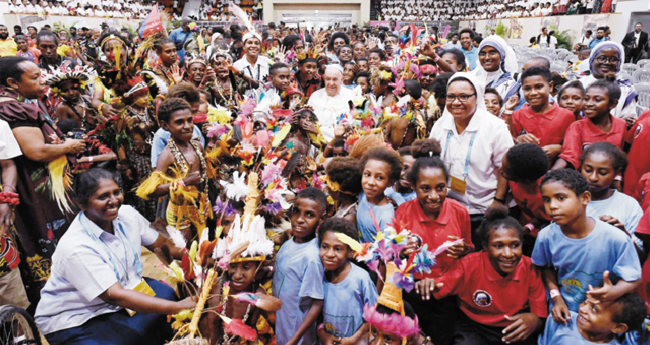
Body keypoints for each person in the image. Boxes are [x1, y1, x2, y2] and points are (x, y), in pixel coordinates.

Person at [34, 168, 194, 345]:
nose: (114, 201)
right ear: (82, 204)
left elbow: (163, 246)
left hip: (121, 294)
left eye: (116, 192)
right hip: (77, 318)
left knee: (166, 294)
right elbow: (115, 295)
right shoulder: (76, 246)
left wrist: (202, 256)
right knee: (128, 336)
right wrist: (179, 307)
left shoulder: (127, 214)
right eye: (103, 197)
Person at [0, 57, 86, 305]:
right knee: (50, 235)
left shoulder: (18, 105)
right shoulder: (15, 108)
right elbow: (36, 151)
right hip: (37, 191)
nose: (43, 81)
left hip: (28, 189)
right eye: (35, 77)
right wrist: (68, 145)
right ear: (12, 83)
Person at [415, 204, 548, 345]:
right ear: (485, 245)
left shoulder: (530, 268)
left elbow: (539, 313)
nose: (508, 254)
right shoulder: (468, 265)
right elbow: (438, 286)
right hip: (474, 328)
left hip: (513, 328)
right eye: (498, 246)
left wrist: (535, 320)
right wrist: (427, 284)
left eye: (515, 245)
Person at [532, 169, 641, 318]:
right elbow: (545, 268)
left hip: (601, 315)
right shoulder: (546, 236)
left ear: (585, 198)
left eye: (561, 198)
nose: (552, 206)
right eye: (547, 199)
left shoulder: (615, 238)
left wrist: (614, 291)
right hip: (565, 312)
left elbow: (633, 278)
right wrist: (556, 298)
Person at [394, 139, 472, 345]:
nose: (434, 196)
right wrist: (401, 251)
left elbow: (469, 252)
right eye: (425, 189)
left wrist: (463, 249)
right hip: (412, 293)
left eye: (440, 188)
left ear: (447, 184)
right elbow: (394, 256)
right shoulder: (403, 212)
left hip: (446, 295)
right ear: (414, 186)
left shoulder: (460, 212)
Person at [429, 72, 514, 242]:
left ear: (477, 97)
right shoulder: (441, 125)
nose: (456, 102)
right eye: (451, 97)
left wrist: (497, 201)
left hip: (483, 210)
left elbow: (505, 169)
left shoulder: (495, 127)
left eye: (464, 97)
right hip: (448, 207)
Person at [139, 97, 212, 245]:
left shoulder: (197, 146)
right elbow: (151, 191)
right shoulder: (167, 155)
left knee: (205, 250)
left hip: (201, 207)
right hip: (180, 214)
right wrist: (184, 182)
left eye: (190, 120)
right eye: (179, 122)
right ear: (165, 126)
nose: (187, 126)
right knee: (188, 254)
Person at [273, 187, 326, 345]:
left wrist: (295, 339)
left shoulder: (312, 257)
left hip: (297, 334)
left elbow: (317, 303)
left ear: (321, 219)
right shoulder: (289, 243)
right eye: (296, 212)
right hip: (283, 323)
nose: (300, 219)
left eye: (309, 215)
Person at [317, 217, 377, 342]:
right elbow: (316, 313)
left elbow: (373, 316)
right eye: (324, 247)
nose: (329, 254)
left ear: (349, 251)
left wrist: (353, 338)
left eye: (337, 249)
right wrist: (323, 333)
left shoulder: (360, 278)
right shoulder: (319, 275)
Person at [554, 74, 630, 170]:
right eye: (586, 99)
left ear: (613, 104)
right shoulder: (577, 127)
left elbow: (622, 155)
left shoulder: (621, 125)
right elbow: (569, 156)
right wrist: (552, 173)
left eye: (597, 100)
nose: (589, 104)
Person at [580, 142, 643, 249]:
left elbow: (640, 256)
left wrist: (623, 236)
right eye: (588, 170)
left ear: (616, 173)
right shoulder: (570, 200)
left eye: (603, 172)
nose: (593, 177)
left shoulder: (628, 205)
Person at [509, 66, 575, 163]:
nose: (533, 93)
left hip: (554, 173)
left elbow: (572, 147)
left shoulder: (566, 116)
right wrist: (518, 140)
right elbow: (509, 144)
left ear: (551, 86)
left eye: (539, 87)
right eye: (527, 89)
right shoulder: (516, 115)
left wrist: (559, 148)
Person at [538, 292, 646, 344]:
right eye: (585, 301)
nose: (582, 309)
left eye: (594, 309)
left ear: (618, 327)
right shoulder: (561, 319)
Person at [357, 146, 404, 243]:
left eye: (379, 178)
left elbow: (386, 251)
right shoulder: (362, 195)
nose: (370, 182)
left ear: (390, 182)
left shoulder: (386, 216)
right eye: (367, 174)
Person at [307, 64, 355, 141]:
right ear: (324, 79)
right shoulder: (315, 96)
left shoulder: (352, 96)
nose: (331, 83)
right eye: (328, 79)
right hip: (317, 143)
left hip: (344, 143)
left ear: (342, 80)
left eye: (335, 79)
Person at [472, 35, 518, 101]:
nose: (487, 57)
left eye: (492, 53)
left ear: (502, 55)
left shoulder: (509, 85)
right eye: (482, 53)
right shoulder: (472, 79)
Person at [325, 157, 361, 227]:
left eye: (328, 185)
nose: (326, 187)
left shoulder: (349, 219)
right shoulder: (342, 205)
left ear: (336, 190)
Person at [233, 31, 268, 96]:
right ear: (243, 46)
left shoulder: (267, 63)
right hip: (244, 103)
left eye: (256, 43)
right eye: (249, 43)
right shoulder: (237, 65)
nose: (253, 46)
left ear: (260, 46)